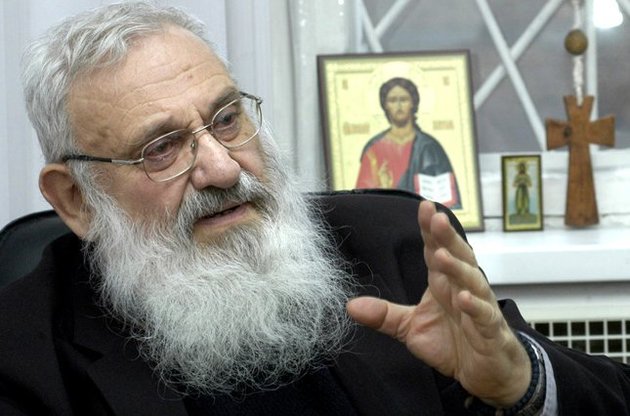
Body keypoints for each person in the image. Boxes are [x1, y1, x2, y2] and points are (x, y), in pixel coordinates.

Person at [1, 2, 630, 415]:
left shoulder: (396, 244)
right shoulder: (22, 355)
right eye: (161, 148)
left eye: (227, 118)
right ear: (75, 199)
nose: (223, 168)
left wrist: (520, 383)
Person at [356, 77, 461, 209]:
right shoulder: (373, 149)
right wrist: (383, 189)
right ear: (385, 105)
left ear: (413, 103)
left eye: (404, 99)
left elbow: (447, 200)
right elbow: (361, 203)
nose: (399, 105)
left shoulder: (430, 147)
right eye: (392, 100)